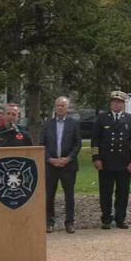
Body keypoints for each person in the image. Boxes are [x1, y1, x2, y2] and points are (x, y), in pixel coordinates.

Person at [91, 90, 131, 229]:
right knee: (106, 192)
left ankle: (121, 218)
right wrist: (96, 158)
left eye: (119, 102)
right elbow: (95, 140)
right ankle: (106, 219)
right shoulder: (102, 118)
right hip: (106, 162)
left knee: (123, 192)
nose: (116, 104)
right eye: (114, 102)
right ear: (111, 103)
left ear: (123, 104)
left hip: (124, 162)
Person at [40, 96, 82, 233]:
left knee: (69, 195)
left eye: (62, 106)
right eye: (58, 105)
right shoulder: (47, 124)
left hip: (68, 166)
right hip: (51, 166)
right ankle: (49, 222)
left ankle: (69, 222)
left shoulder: (74, 124)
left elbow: (77, 144)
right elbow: (42, 144)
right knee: (49, 195)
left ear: (67, 108)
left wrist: (68, 158)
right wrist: (49, 159)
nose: (60, 108)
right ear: (55, 107)